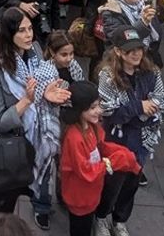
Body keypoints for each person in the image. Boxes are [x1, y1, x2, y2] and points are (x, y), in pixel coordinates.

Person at [0, 8, 70, 228]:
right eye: (21, 30)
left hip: (39, 136)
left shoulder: (35, 53)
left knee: (43, 174)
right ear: (9, 34)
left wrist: (47, 95)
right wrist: (27, 101)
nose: (28, 35)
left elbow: (43, 88)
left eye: (30, 28)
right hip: (11, 148)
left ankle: (41, 206)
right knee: (3, 213)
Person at [58, 80, 142, 236]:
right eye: (92, 108)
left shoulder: (91, 126)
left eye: (98, 105)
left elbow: (99, 147)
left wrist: (122, 154)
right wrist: (111, 162)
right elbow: (85, 171)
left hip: (90, 194)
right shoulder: (74, 138)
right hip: (80, 197)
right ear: (79, 110)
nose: (98, 111)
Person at [97, 25, 164, 194]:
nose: (137, 54)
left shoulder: (151, 72)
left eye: (139, 49)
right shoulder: (108, 76)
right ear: (118, 51)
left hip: (142, 139)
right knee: (111, 183)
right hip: (116, 140)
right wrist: (140, 106)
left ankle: (120, 218)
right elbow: (109, 113)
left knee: (131, 185)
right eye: (130, 50)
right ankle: (102, 215)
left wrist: (137, 111)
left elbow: (162, 100)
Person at [97, 0, 161, 65]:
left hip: (146, 60)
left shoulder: (144, 4)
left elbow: (158, 32)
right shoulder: (110, 12)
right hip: (121, 64)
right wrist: (143, 23)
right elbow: (121, 40)